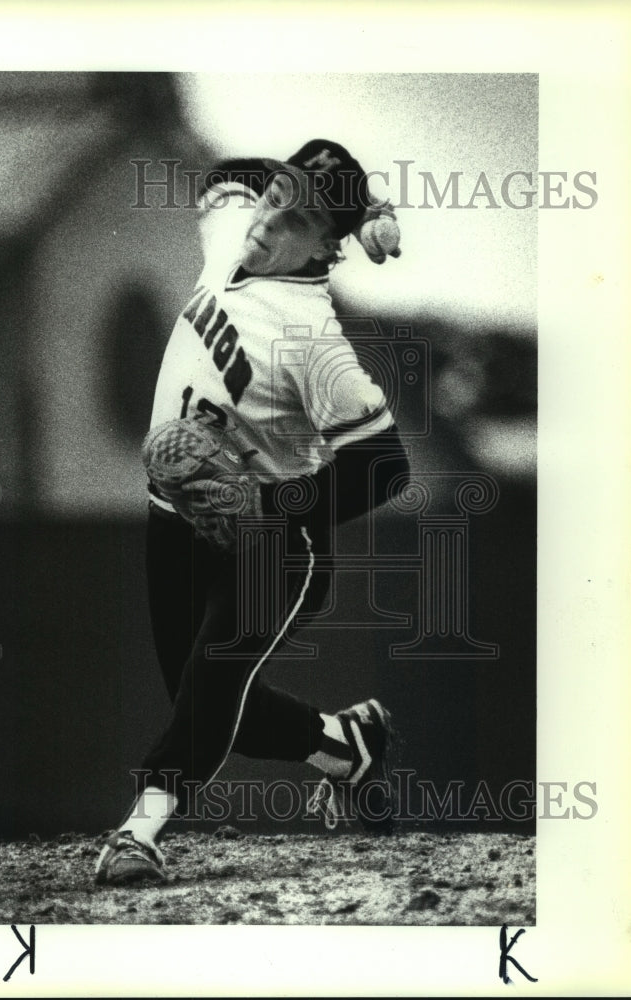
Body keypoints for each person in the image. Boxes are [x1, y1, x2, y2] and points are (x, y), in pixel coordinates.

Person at [96, 139, 411, 886]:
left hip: (272, 544)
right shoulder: (233, 234)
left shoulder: (315, 343)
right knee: (210, 699)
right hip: (174, 520)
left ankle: (143, 829)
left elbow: (386, 468)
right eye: (274, 198)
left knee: (211, 686)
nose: (270, 222)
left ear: (325, 246)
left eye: (296, 217)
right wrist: (370, 207)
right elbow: (228, 181)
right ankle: (345, 746)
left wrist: (272, 501)